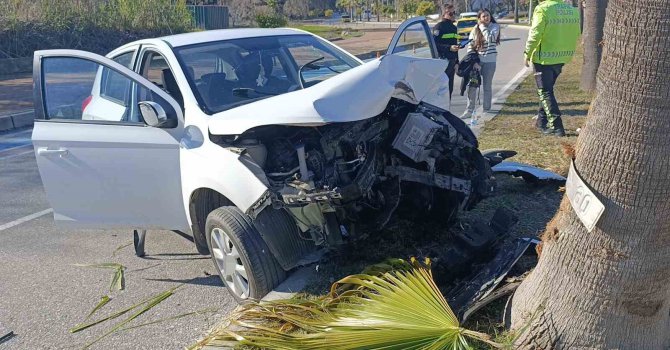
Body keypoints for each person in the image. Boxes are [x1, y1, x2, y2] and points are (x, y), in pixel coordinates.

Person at [524, 0, 581, 136]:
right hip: (562, 57)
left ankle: (556, 126)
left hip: (543, 58)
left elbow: (535, 33)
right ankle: (541, 121)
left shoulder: (542, 9)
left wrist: (527, 52)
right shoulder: (571, 10)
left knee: (545, 92)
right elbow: (577, 33)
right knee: (546, 91)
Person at [462, 8, 500, 121]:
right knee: (472, 86)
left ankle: (486, 109)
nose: (486, 18)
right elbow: (470, 45)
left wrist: (482, 26)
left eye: (487, 15)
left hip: (490, 62)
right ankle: (469, 110)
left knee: (487, 86)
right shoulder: (475, 29)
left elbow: (490, 38)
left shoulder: (494, 27)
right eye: (483, 16)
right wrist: (474, 61)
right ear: (479, 18)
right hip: (477, 62)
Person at [432, 5, 460, 101]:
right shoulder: (439, 27)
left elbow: (455, 46)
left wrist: (457, 62)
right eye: (450, 13)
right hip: (442, 62)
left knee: (449, 89)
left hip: (452, 63)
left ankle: (447, 111)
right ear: (444, 14)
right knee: (441, 90)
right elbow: (434, 45)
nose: (453, 15)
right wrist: (448, 48)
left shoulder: (454, 28)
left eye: (454, 13)